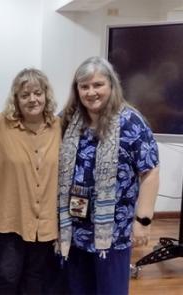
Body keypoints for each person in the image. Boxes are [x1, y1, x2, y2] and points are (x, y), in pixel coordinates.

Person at [58, 56, 160, 295]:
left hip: (113, 233)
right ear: (77, 90)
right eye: (84, 86)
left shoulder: (131, 123)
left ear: (111, 86)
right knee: (76, 289)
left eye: (98, 85)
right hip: (74, 230)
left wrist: (143, 222)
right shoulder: (69, 119)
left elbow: (151, 171)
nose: (91, 92)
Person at [0, 68, 61, 294]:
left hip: (44, 223)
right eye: (25, 95)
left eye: (37, 93)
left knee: (35, 281)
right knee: (5, 279)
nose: (32, 99)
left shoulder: (58, 127)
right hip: (9, 221)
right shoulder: (0, 125)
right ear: (16, 99)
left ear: (46, 95)